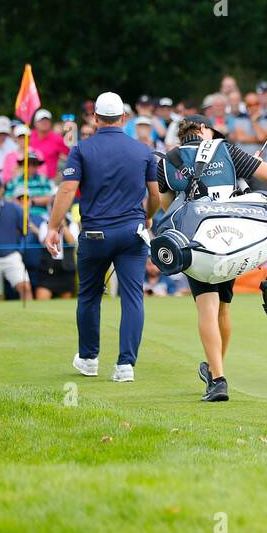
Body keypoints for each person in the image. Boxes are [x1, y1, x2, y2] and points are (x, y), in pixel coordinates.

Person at [155, 114, 267, 402]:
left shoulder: (167, 161)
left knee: (206, 308)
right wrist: (248, 165)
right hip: (231, 237)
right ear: (203, 130)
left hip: (196, 242)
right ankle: (214, 369)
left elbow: (166, 206)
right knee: (223, 308)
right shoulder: (225, 150)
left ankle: (218, 378)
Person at [45, 91, 161, 383]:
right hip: (133, 233)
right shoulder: (143, 150)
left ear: (95, 118)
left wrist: (53, 226)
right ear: (124, 117)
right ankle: (125, 366)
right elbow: (156, 194)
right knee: (133, 297)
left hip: (95, 233)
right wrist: (147, 215)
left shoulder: (82, 150)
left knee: (89, 295)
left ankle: (88, 359)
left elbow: (67, 190)